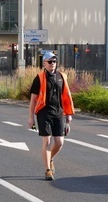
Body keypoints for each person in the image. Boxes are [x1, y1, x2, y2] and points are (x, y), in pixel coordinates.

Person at [28, 52, 74, 181]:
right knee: (47, 141)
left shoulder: (62, 77)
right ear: (44, 63)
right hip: (44, 112)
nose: (52, 64)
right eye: (50, 61)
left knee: (59, 142)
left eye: (54, 61)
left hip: (59, 112)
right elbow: (33, 100)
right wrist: (31, 117)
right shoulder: (39, 78)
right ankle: (48, 170)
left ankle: (51, 158)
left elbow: (67, 97)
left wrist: (68, 115)